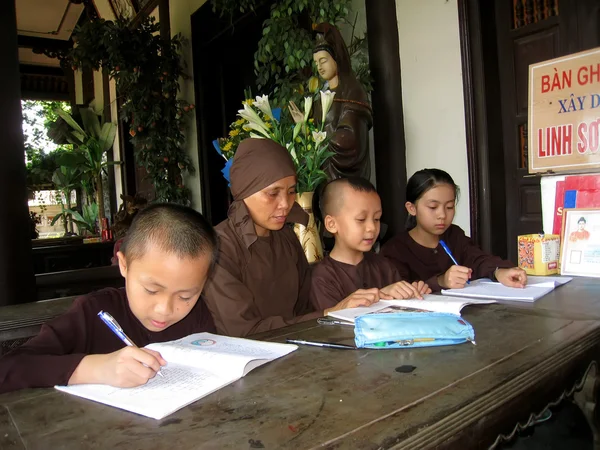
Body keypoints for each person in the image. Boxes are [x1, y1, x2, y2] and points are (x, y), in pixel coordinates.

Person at [0, 204, 218, 394]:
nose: (164, 309)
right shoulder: (93, 312)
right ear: (123, 265)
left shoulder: (197, 315)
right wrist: (96, 368)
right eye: (151, 290)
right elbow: (9, 368)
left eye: (185, 296)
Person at [202, 139, 373, 337]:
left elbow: (306, 307)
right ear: (244, 191)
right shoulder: (219, 247)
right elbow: (244, 331)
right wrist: (330, 313)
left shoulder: (286, 237)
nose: (285, 204)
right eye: (273, 193)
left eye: (291, 192)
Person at [381, 169, 526, 291]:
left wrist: (499, 272)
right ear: (412, 208)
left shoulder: (454, 235)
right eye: (433, 207)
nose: (442, 215)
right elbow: (398, 292)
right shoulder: (395, 250)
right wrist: (440, 281)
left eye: (449, 207)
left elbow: (478, 259)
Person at [310, 177, 431, 311]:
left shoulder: (385, 266)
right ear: (331, 224)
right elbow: (329, 325)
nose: (372, 228)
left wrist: (413, 294)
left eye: (376, 219)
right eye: (361, 219)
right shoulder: (322, 277)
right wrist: (382, 296)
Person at [312, 23, 373, 181]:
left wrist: (321, 140)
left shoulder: (353, 92)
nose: (319, 67)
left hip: (345, 174)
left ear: (336, 58)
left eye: (323, 60)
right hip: (323, 175)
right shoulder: (321, 98)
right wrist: (304, 126)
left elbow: (350, 137)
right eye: (316, 62)